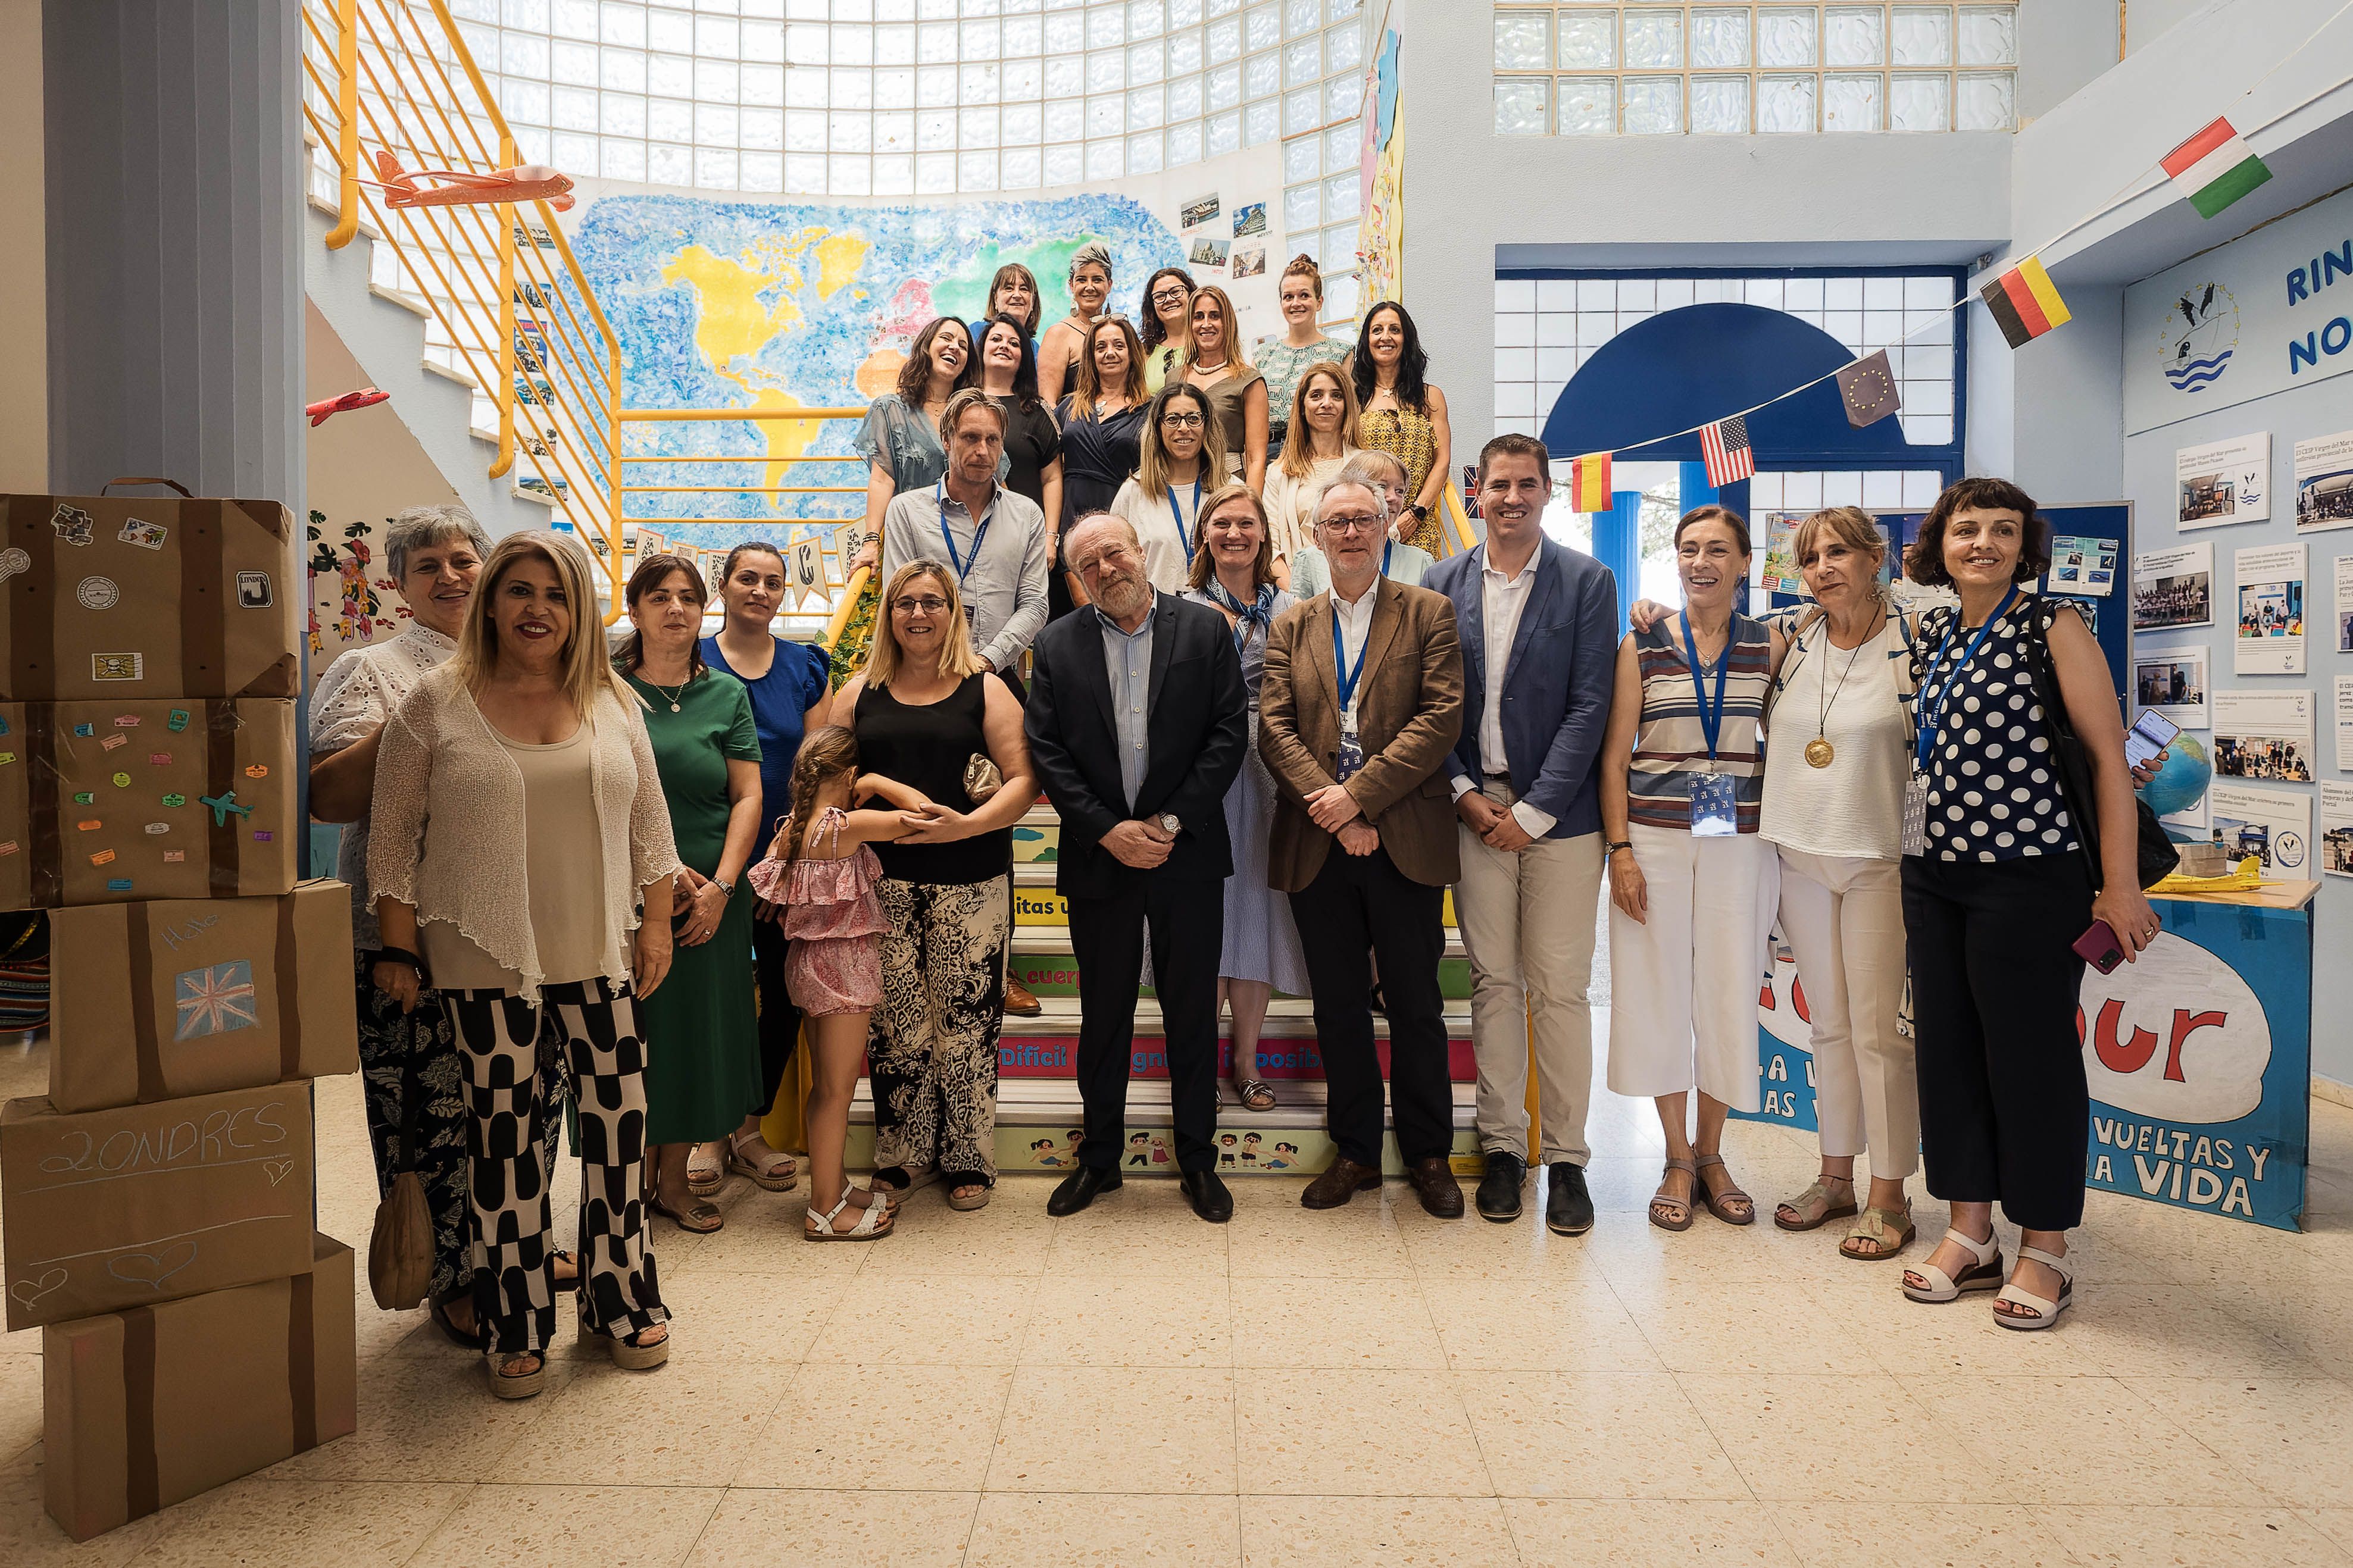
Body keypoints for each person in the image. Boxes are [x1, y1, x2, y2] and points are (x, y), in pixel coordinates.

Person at [368, 530, 680, 1398]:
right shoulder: (434, 703)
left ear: (578, 608)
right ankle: (517, 1312)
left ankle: (621, 1295)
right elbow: (391, 843)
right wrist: (398, 946)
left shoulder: (612, 698)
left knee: (619, 1130)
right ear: (493, 604)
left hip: (600, 951)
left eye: (556, 593)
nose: (536, 608)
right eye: (518, 591)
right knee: (504, 1143)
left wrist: (655, 925)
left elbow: (651, 828)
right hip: (483, 956)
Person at [308, 505, 576, 1348]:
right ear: (399, 584)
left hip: (527, 932)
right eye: (429, 566)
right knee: (432, 1116)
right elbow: (331, 796)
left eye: (465, 560)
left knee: (530, 1102)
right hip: (409, 943)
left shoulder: (537, 668)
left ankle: (520, 1246)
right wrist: (429, 703)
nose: (451, 576)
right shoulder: (372, 669)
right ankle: (451, 1274)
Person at [1897, 478, 2160, 1330]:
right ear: (1941, 542)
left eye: (2001, 530)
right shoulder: (1937, 629)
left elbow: (2108, 761)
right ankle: (1969, 1227)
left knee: (2030, 1056)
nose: (1982, 542)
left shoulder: (2054, 625)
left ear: (2024, 544)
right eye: (1966, 528)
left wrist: (2117, 884)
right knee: (1949, 1051)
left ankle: (2044, 1242)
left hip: (2029, 873)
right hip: (1934, 872)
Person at [1025, 513, 1249, 1223]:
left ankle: (1197, 1161)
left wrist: (1167, 822)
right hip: (1101, 859)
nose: (1106, 569)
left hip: (1185, 852)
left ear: (1141, 551)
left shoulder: (1206, 629)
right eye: (1088, 564)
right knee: (1105, 1015)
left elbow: (1226, 734)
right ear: (1077, 579)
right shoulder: (1055, 644)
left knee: (1190, 1012)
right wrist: (1108, 830)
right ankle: (1099, 1160)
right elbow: (1047, 753)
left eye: (1114, 552)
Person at [1425, 435, 1620, 1236]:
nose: (1511, 497)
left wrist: (1533, 811)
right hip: (1474, 811)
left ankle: (1568, 1156)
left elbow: (1590, 702)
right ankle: (1504, 1147)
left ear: (1549, 492)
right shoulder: (1440, 584)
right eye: (1498, 484)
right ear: (1475, 491)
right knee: (1494, 984)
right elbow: (1429, 703)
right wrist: (1468, 795)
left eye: (1526, 485)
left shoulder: (1586, 581)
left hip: (1562, 820)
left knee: (1560, 989)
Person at [1258, 477, 1467, 1218]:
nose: (1349, 533)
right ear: (1315, 537)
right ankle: (1354, 1151)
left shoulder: (1428, 612)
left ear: (1387, 529)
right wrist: (1335, 810)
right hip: (1320, 840)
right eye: (1335, 522)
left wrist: (1360, 797)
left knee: (1414, 1005)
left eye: (1362, 520)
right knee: (1338, 1006)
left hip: (1402, 835)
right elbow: (1273, 728)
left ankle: (1428, 1154)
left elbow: (1440, 719)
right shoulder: (1293, 624)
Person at [1597, 506, 1784, 1235]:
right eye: (1686, 549)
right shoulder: (1641, 641)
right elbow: (1614, 757)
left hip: (1740, 838)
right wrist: (1619, 852)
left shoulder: (1771, 643)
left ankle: (1713, 1153)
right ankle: (1675, 1155)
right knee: (1653, 988)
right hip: (1653, 836)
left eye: (1715, 549)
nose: (1699, 560)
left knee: (1729, 989)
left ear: (1743, 562)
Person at [1754, 508, 1927, 1260]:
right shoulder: (1793, 640)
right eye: (1810, 557)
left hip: (1878, 858)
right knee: (1825, 1024)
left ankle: (1890, 1195)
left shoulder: (1914, 640)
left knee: (1878, 1032)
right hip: (1797, 851)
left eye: (1837, 553)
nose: (1823, 567)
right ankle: (1834, 1176)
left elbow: (1936, 748)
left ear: (1873, 558)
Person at [840, 560, 1039, 1210]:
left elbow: (1021, 782)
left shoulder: (985, 687)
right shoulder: (858, 692)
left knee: (967, 1026)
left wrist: (965, 827)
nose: (918, 614)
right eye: (905, 603)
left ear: (953, 612)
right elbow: (826, 784)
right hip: (881, 889)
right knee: (895, 1028)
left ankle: (967, 1155)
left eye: (932, 602)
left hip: (971, 884)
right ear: (888, 614)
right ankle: (902, 1154)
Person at [879, 387, 1054, 1017]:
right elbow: (898, 594)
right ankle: (906, 956)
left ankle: (998, 965)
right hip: (918, 687)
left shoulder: (1027, 515)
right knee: (916, 808)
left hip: (991, 686)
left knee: (991, 821)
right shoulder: (905, 511)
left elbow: (1035, 602)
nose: (980, 450)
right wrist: (939, 661)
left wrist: (981, 662)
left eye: (991, 439)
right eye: (968, 437)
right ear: (946, 441)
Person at [617, 553, 765, 1235]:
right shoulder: (603, 690)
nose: (674, 608)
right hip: (625, 888)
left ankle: (671, 1183)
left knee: (693, 1039)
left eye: (687, 597)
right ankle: (620, 1186)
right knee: (637, 1034)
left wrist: (724, 888)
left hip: (712, 896)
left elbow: (747, 795)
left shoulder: (725, 694)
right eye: (659, 596)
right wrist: (661, 869)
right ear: (634, 609)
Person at [748, 725, 927, 1240]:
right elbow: (922, 814)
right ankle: (824, 1207)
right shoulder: (845, 825)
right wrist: (878, 780)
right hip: (844, 968)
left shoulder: (790, 829)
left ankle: (836, 1185)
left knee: (825, 1086)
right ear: (847, 775)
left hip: (805, 965)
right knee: (836, 1090)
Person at [702, 542, 834, 1193]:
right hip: (701, 860)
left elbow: (819, 773)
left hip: (782, 861)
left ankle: (747, 1129)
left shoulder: (806, 666)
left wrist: (788, 862)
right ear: (721, 586)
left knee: (781, 1001)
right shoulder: (686, 659)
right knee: (709, 997)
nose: (759, 590)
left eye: (772, 582)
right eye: (747, 579)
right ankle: (703, 1129)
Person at [1182, 486, 1313, 1112]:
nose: (1234, 533)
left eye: (1246, 523)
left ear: (1264, 534)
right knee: (1207, 917)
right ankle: (1201, 1063)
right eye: (1222, 523)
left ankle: (1247, 1059)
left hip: (1269, 769)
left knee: (1257, 912)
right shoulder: (1177, 607)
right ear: (1204, 534)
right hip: (1201, 765)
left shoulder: (1291, 607)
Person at [837, 315, 983, 674]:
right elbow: (882, 480)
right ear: (926, 346)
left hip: (963, 550)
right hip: (904, 546)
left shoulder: (971, 417)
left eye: (964, 346)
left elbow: (995, 479)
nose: (955, 348)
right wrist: (872, 541)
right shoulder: (891, 410)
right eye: (946, 339)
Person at [1054, 312, 1151, 616]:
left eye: (1118, 345)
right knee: (1084, 616)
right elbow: (1051, 472)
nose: (1110, 353)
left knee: (1123, 607)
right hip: (1070, 514)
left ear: (1132, 353)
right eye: (1101, 347)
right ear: (1091, 356)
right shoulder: (1068, 407)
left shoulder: (1151, 409)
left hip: (1122, 512)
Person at [1351, 299, 1452, 557]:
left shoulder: (1431, 397)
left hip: (1417, 523)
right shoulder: (1352, 398)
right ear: (1367, 340)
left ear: (1406, 338)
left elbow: (1442, 461)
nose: (1386, 337)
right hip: (1363, 523)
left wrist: (1417, 513)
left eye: (1394, 330)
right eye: (1377, 330)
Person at [1110, 381, 1226, 596]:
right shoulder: (1134, 492)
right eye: (1172, 419)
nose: (1184, 428)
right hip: (1155, 618)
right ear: (1157, 427)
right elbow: (1114, 564)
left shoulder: (1230, 490)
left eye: (1193, 418)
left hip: (1220, 614)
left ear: (1206, 426)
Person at [1261, 360, 1361, 584]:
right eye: (1316, 396)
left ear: (1347, 405)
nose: (1327, 403)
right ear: (1302, 407)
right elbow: (1271, 547)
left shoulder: (1364, 466)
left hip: (1358, 589)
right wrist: (1298, 597)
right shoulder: (1279, 472)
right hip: (1298, 592)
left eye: (1336, 396)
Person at [1287, 450, 1438, 598]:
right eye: (1382, 487)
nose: (1393, 498)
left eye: (1400, 491)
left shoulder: (1420, 562)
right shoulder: (1311, 560)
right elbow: (1301, 619)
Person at [1254, 255, 1355, 463]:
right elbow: (1253, 419)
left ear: (1319, 302)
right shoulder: (1262, 356)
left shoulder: (1340, 352)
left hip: (1319, 451)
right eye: (1288, 297)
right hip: (1269, 455)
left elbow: (1350, 415)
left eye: (1304, 295)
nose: (1296, 303)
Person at [978, 313, 1065, 536]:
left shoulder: (1037, 410)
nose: (1004, 346)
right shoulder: (960, 404)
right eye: (996, 339)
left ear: (1023, 357)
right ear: (982, 349)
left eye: (1014, 343)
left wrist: (1050, 536)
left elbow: (1052, 478)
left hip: (1027, 534)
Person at [1182, 284, 1267, 491]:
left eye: (1214, 316)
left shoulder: (1248, 380)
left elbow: (1256, 459)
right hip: (1181, 485)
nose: (1206, 324)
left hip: (1228, 485)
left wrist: (1252, 506)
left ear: (1227, 323)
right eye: (1199, 317)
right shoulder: (1175, 379)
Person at [1038, 242, 1112, 409]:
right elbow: (1048, 404)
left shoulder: (1120, 332)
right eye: (1082, 280)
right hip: (1074, 430)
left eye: (1097, 280)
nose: (1090, 287)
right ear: (1071, 285)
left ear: (1109, 285)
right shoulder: (1059, 334)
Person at [1139, 265, 1195, 392]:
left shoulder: (1210, 346)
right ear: (1152, 306)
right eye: (1160, 296)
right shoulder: (1144, 353)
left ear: (1191, 295)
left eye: (1176, 292)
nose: (1169, 299)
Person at [968, 261, 1040, 349]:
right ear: (995, 299)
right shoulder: (976, 332)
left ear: (1033, 301)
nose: (1017, 295)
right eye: (1009, 289)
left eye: (1024, 289)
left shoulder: (1036, 350)